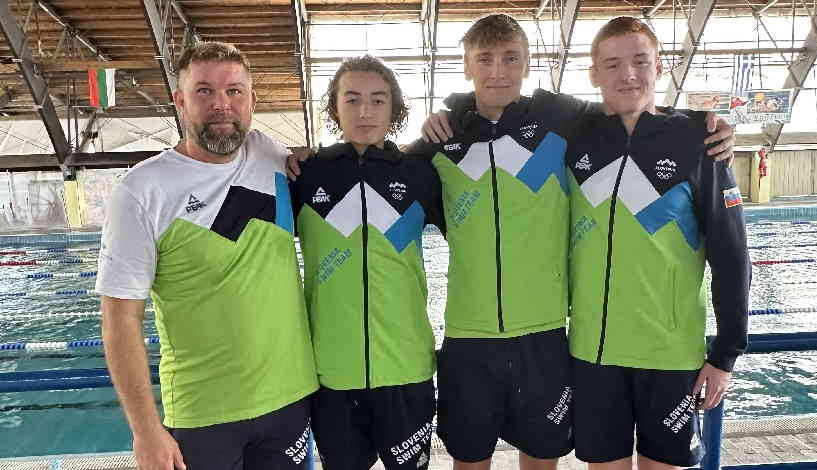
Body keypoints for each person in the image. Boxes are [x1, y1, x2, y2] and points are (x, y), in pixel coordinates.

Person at [414, 13, 737, 470]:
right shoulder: (445, 140)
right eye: (484, 59)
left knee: (547, 457)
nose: (498, 70)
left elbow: (730, 254)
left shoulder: (563, 120)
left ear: (528, 63)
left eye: (511, 58)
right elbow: (389, 177)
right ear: (466, 65)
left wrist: (706, 124)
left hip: (559, 338)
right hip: (488, 339)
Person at [96, 41, 317, 470]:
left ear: (252, 101)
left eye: (234, 91)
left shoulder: (271, 156)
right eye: (204, 91)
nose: (221, 104)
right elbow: (119, 318)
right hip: (202, 414)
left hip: (290, 403)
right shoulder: (142, 190)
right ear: (179, 101)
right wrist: (145, 430)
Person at [565, 16, 750, 470]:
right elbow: (504, 103)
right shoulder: (574, 135)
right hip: (592, 353)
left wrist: (725, 355)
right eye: (612, 64)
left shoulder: (698, 142)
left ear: (660, 66)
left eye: (640, 61)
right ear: (593, 73)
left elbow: (731, 255)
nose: (627, 74)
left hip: (670, 354)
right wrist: (449, 109)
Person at [289, 56, 445, 470]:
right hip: (331, 372)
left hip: (406, 367)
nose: (365, 111)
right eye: (352, 99)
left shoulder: (420, 175)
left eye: (378, 100)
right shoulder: (304, 176)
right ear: (334, 107)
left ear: (394, 109)